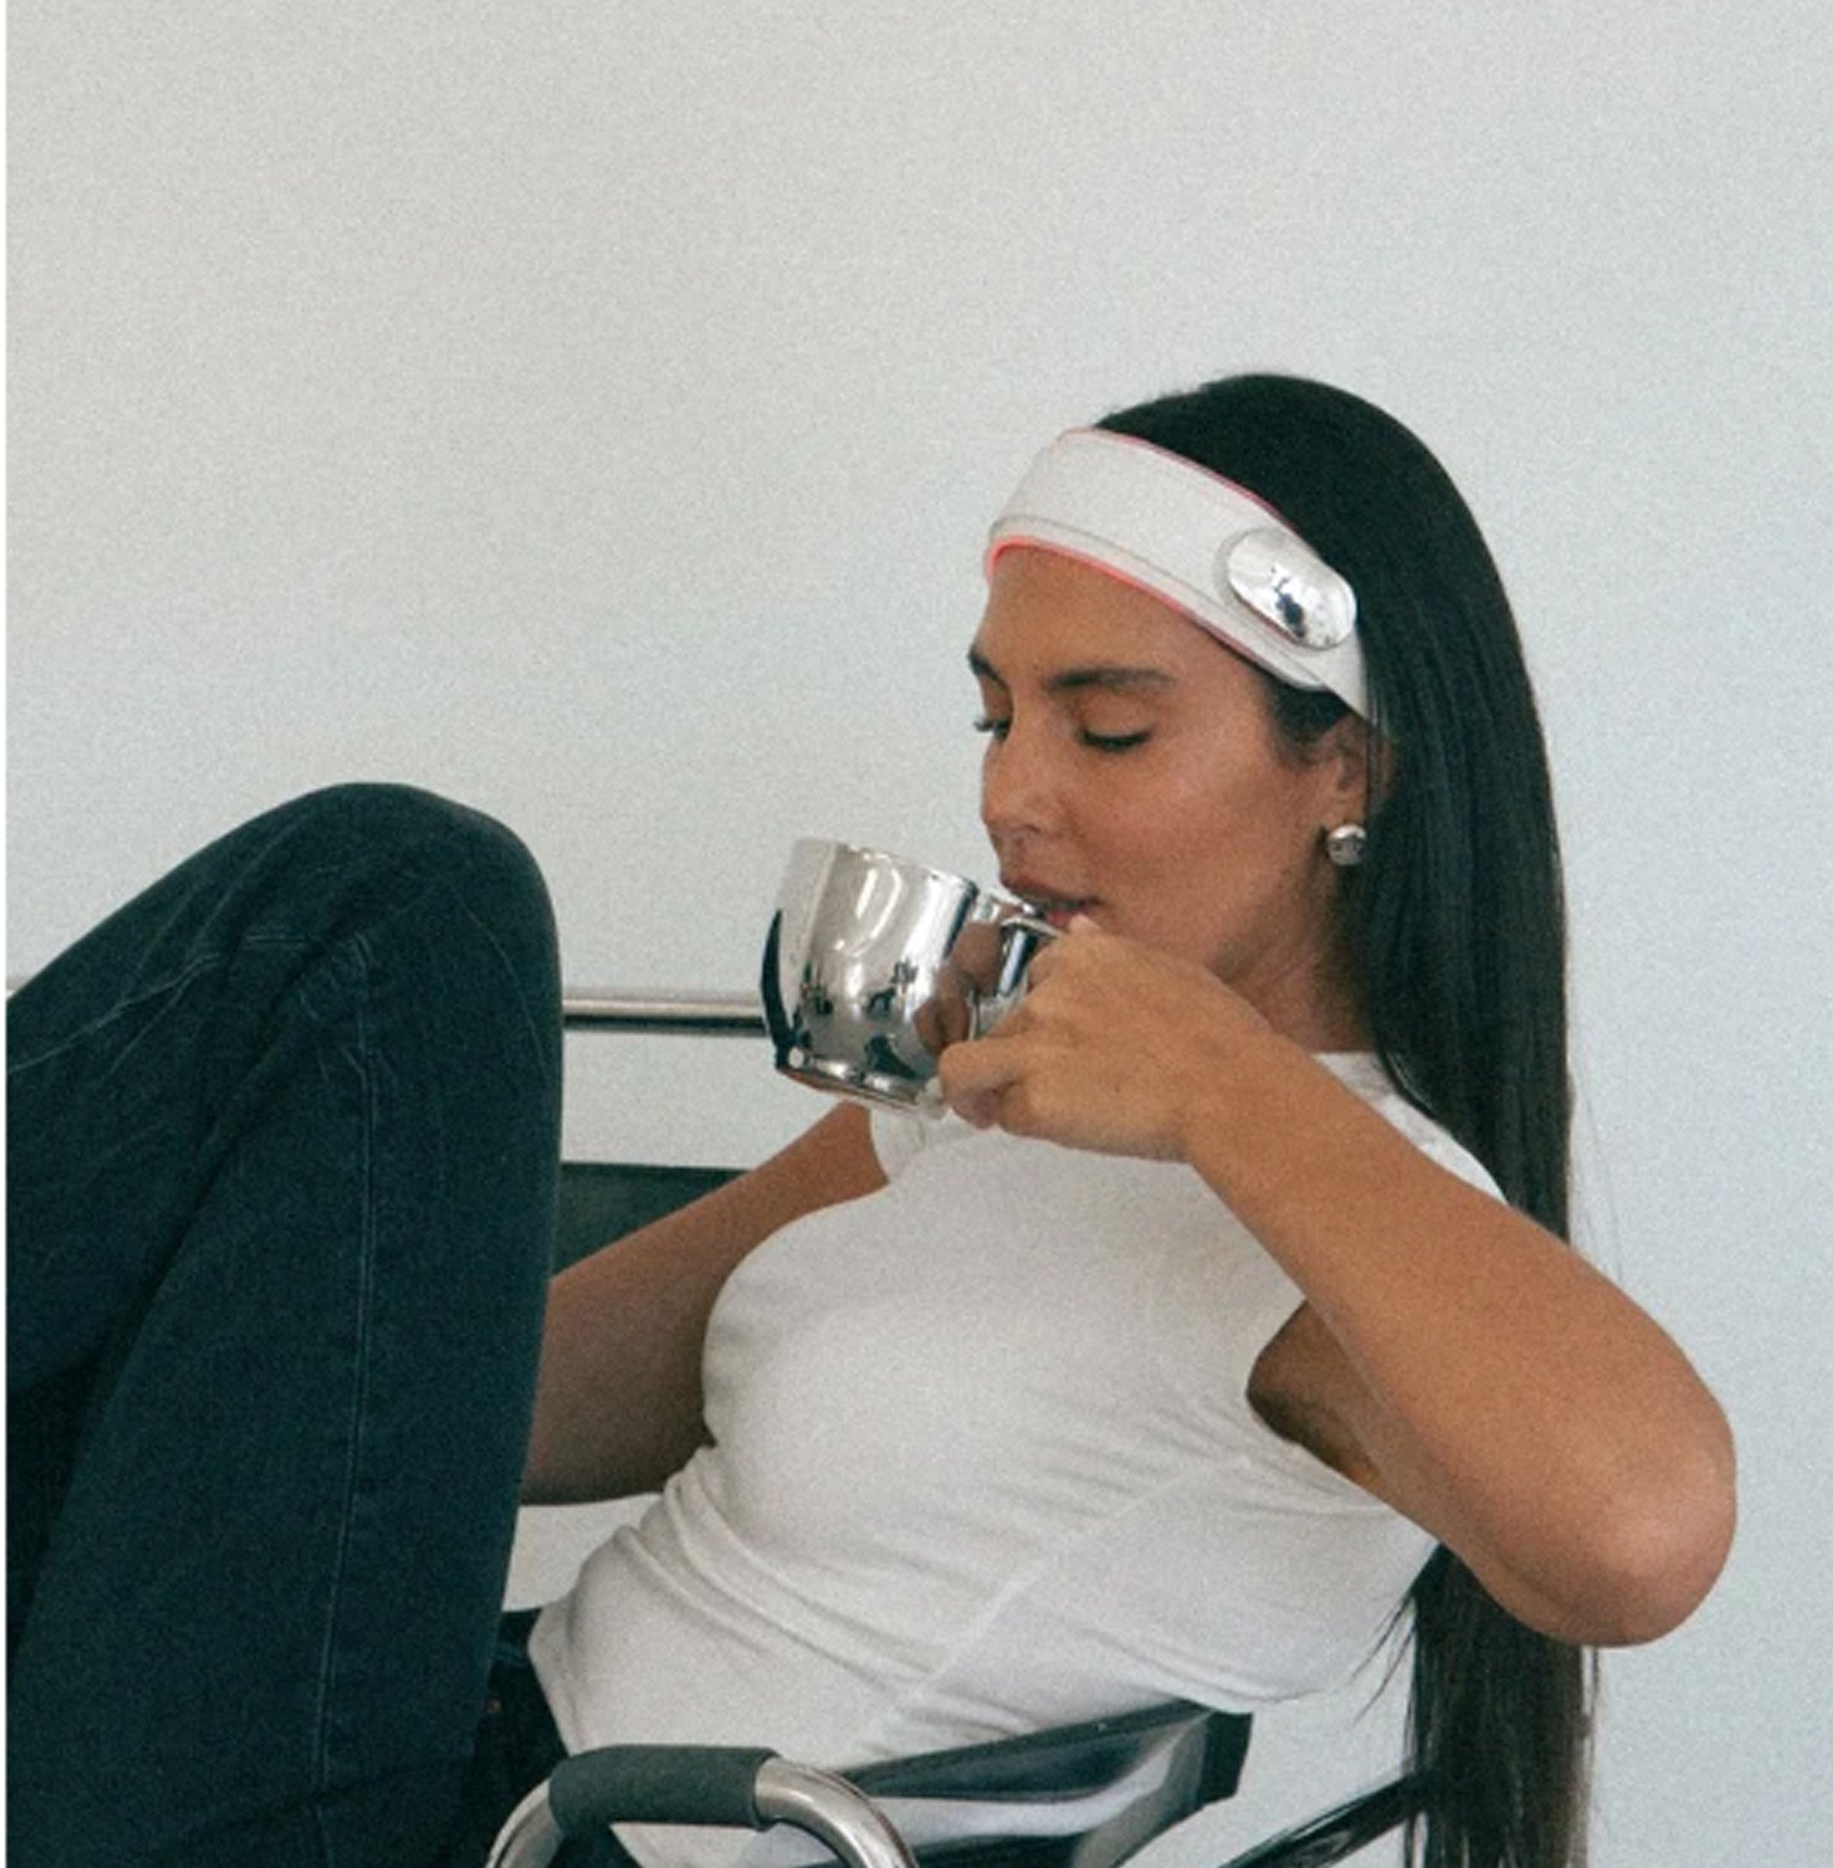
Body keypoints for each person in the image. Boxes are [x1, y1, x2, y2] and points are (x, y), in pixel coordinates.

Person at [8, 374, 1736, 1868]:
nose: (1009, 793)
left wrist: (1221, 1083)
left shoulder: (1353, 1218)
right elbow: (468, 1402)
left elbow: (1642, 1536)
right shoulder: (994, 1093)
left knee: (402, 909)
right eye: (995, 714)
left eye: (1107, 728)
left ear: (1346, 766)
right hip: (424, 1734)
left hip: (528, 1834)